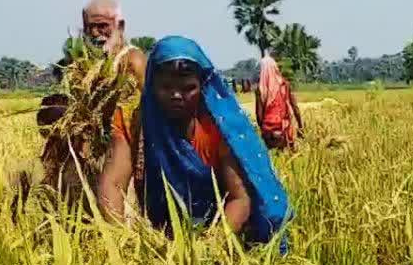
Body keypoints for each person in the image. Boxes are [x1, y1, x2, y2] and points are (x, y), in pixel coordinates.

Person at [97, 36, 291, 248]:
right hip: (160, 233)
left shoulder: (217, 127)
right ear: (152, 85)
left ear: (202, 86)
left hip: (215, 230)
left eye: (188, 88)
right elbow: (112, 184)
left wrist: (211, 245)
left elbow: (239, 198)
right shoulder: (133, 120)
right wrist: (121, 241)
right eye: (166, 87)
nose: (177, 95)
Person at [23, 0, 148, 214]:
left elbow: (148, 110)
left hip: (126, 150)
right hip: (90, 154)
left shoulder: (133, 61)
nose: (98, 33)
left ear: (120, 26)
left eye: (104, 26)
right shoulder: (81, 66)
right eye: (92, 27)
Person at [255, 57, 304, 151]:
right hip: (284, 130)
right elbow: (295, 107)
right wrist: (300, 127)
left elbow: (259, 116)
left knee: (273, 162)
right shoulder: (284, 85)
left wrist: (264, 130)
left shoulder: (260, 89)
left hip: (268, 133)